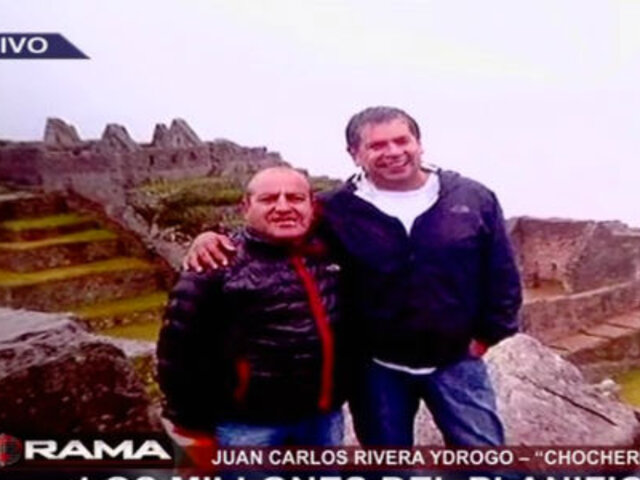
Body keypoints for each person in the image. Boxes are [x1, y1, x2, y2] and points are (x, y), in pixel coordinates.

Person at [183, 106, 522, 447]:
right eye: (377, 145)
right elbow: (275, 228)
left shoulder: (472, 198)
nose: (393, 152)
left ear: (419, 144)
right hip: (376, 368)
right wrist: (212, 238)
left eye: (401, 140)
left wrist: (488, 335)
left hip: (456, 361)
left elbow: (501, 271)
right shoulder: (335, 208)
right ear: (355, 154)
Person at [157, 166, 346, 447]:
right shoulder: (215, 263)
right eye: (268, 199)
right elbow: (178, 354)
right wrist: (190, 425)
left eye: (295, 198)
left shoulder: (330, 251)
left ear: (312, 205)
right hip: (249, 425)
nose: (283, 207)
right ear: (245, 207)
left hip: (323, 417)